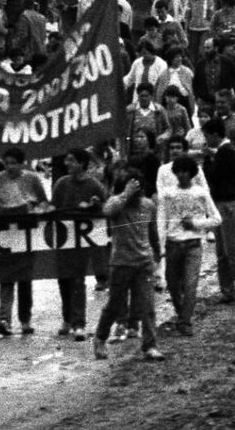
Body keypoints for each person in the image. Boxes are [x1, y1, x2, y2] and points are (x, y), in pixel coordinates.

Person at [91, 170, 165, 363]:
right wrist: (126, 194)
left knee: (147, 305)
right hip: (121, 262)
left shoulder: (148, 205)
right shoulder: (117, 203)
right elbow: (107, 211)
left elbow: (152, 231)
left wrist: (157, 253)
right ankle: (100, 337)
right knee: (114, 305)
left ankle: (150, 345)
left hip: (144, 261)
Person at [0, 148, 48, 336]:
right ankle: (4, 319)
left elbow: (43, 201)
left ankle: (25, 320)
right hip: (4, 234)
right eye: (7, 163)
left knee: (25, 279)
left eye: (14, 163)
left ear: (22, 163)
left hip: (26, 232)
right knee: (6, 277)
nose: (10, 167)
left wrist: (39, 210)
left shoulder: (33, 179)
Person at [50, 149, 106, 340]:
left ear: (82, 163)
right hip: (63, 239)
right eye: (66, 160)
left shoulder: (94, 185)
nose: (67, 163)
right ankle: (67, 319)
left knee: (77, 280)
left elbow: (106, 209)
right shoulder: (61, 183)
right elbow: (54, 206)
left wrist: (95, 205)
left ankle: (79, 323)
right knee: (63, 280)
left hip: (82, 241)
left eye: (72, 160)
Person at [201, 120, 235, 306]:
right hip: (224, 204)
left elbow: (212, 176)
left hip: (226, 205)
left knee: (229, 250)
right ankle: (230, 290)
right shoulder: (226, 151)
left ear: (215, 135)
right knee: (224, 251)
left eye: (207, 136)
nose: (206, 140)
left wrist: (207, 159)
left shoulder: (226, 153)